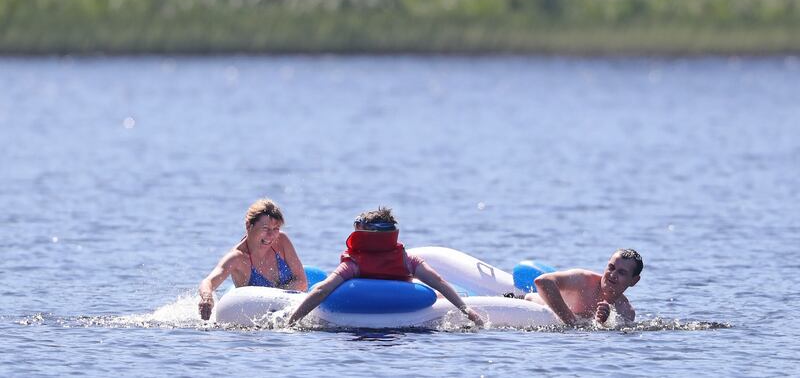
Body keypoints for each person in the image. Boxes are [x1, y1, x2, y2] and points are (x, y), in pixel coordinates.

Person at [287, 207, 484, 327]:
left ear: (365, 233)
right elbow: (438, 281)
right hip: (402, 327)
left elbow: (322, 289)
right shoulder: (407, 261)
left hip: (364, 319)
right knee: (435, 291)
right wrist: (467, 311)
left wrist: (291, 321)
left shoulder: (353, 264)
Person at [198, 198, 307, 320]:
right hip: (255, 322)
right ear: (249, 226)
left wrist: (276, 298)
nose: (271, 236)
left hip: (289, 312)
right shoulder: (237, 258)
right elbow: (208, 282)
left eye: (275, 229)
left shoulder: (281, 240)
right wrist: (207, 298)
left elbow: (302, 282)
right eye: (265, 228)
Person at [524, 249, 643, 326]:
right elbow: (542, 281)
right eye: (611, 267)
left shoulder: (626, 312)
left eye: (621, 273)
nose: (612, 275)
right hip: (529, 302)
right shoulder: (583, 280)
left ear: (634, 280)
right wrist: (571, 322)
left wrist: (601, 323)